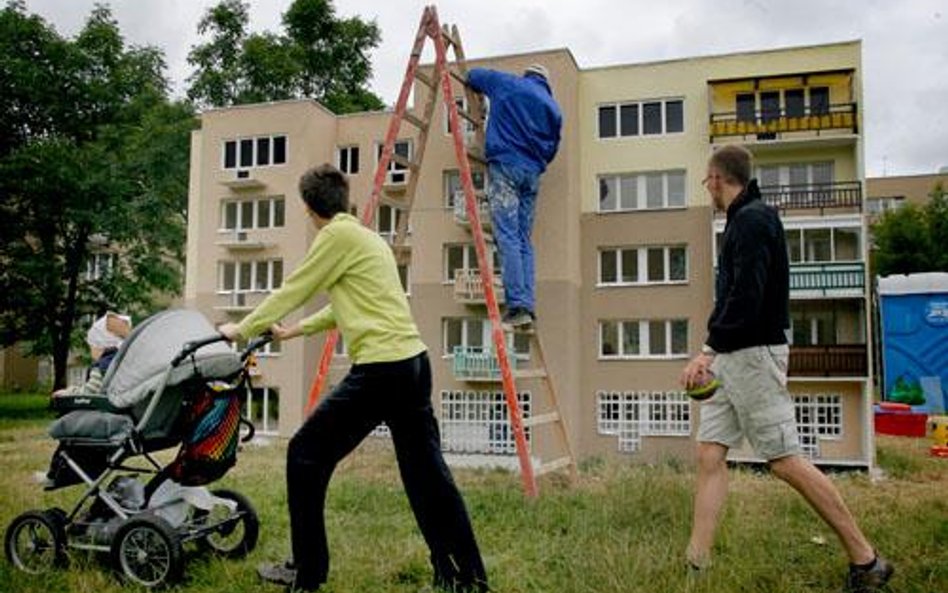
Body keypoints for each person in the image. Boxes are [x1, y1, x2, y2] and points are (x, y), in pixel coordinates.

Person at [218, 164, 488, 593]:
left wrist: (242, 328)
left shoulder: (336, 237)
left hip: (383, 370)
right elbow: (347, 304)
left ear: (309, 208)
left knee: (305, 454)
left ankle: (306, 573)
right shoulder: (367, 238)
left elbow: (295, 288)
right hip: (413, 364)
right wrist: (292, 331)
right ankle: (463, 576)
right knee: (427, 475)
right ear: (342, 201)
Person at [679, 145, 892, 592]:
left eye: (707, 182)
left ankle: (866, 559)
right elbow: (733, 295)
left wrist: (706, 351)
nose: (708, 191)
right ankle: (695, 566)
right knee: (710, 453)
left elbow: (748, 297)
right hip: (733, 356)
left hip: (755, 357)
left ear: (718, 179)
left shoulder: (754, 220)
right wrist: (713, 352)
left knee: (783, 460)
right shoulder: (741, 221)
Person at [466, 63, 562, 328]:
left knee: (507, 235)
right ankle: (527, 305)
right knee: (522, 239)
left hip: (506, 166)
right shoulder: (553, 108)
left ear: (528, 75)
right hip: (532, 175)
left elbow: (473, 76)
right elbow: (552, 150)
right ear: (546, 82)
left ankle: (517, 304)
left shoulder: (508, 84)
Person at [54, 312, 131, 396]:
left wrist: (68, 392)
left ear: (100, 345)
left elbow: (89, 392)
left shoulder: (104, 365)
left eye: (91, 345)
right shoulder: (125, 361)